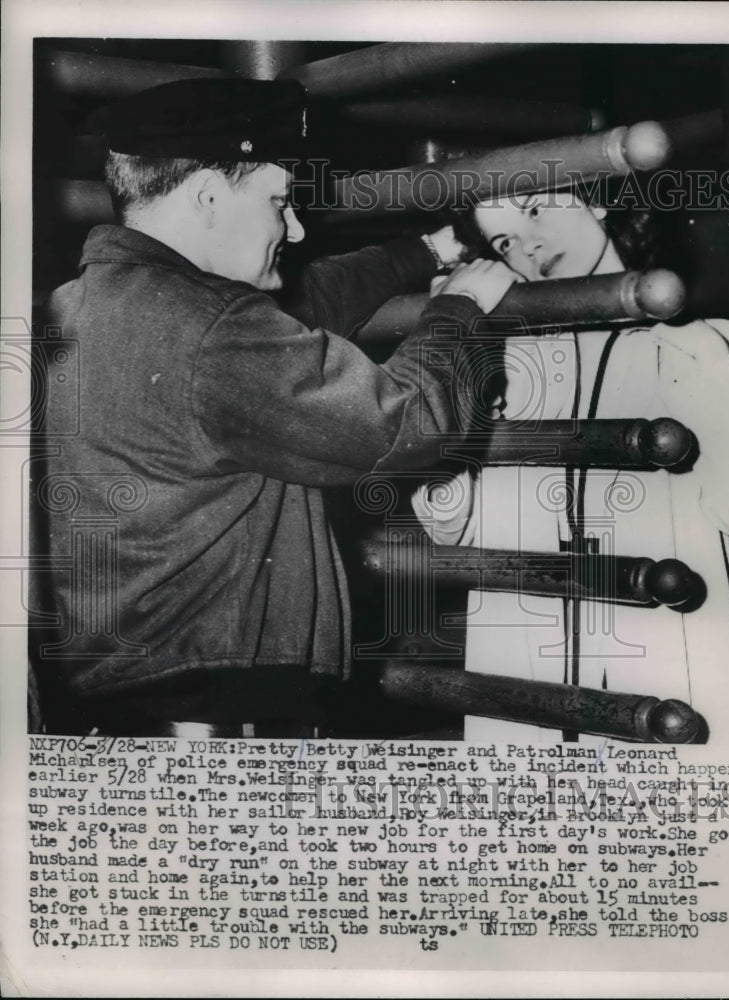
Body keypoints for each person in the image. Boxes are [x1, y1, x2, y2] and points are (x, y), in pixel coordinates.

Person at [31, 78, 517, 735]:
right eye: (278, 202)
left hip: (128, 699)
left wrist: (426, 252)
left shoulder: (82, 304)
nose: (293, 226)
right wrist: (457, 309)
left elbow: (295, 311)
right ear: (207, 195)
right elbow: (408, 423)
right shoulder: (214, 329)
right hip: (222, 703)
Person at [413, 185, 729, 743]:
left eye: (535, 209)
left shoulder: (716, 346)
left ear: (596, 200)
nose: (529, 245)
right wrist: (456, 385)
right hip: (523, 662)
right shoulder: (505, 364)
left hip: (667, 659)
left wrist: (702, 360)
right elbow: (449, 525)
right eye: (505, 240)